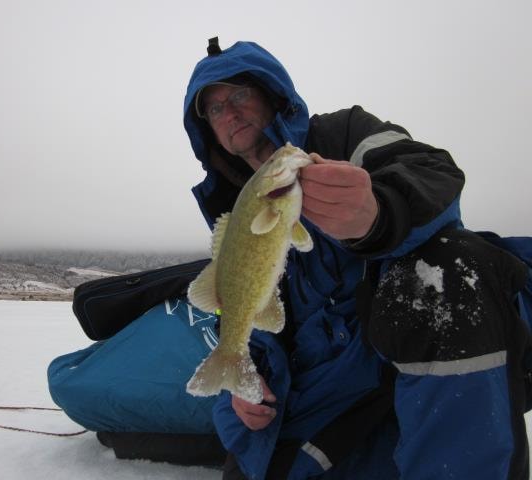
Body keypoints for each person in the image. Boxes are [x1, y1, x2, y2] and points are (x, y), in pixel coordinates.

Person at [182, 38, 531, 479]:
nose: (229, 113)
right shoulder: (233, 210)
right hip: (315, 396)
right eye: (214, 109)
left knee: (446, 270)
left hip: (392, 363)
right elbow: (242, 309)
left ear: (272, 95)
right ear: (207, 131)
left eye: (238, 96)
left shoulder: (344, 135)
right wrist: (242, 384)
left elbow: (430, 173)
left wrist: (379, 213)